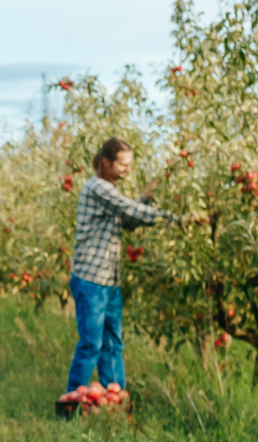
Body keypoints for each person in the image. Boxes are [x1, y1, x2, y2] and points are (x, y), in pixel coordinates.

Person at [64, 138, 191, 404]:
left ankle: (114, 398)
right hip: (91, 279)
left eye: (130, 164)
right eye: (123, 164)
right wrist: (177, 220)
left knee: (112, 343)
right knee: (91, 344)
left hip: (109, 280)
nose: (127, 170)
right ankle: (73, 401)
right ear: (106, 162)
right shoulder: (98, 187)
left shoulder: (108, 191)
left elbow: (129, 221)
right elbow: (129, 209)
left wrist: (147, 196)